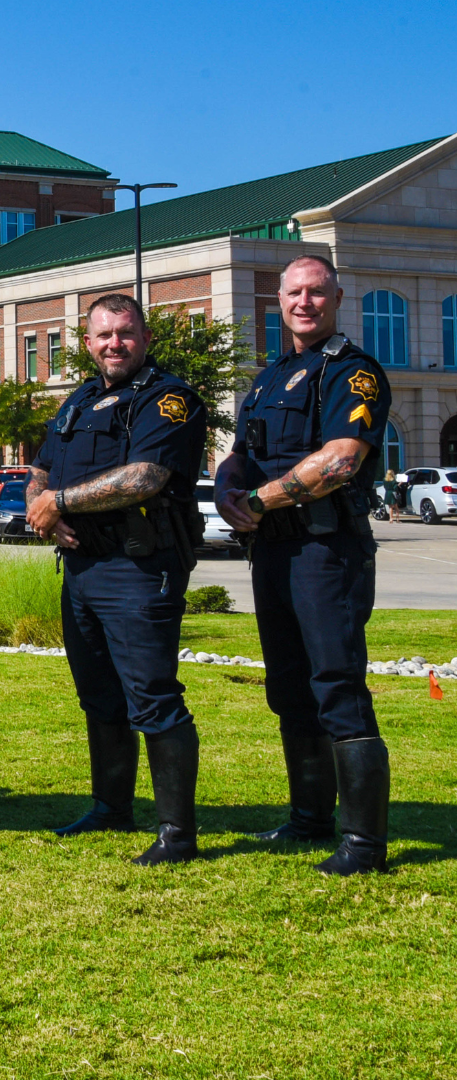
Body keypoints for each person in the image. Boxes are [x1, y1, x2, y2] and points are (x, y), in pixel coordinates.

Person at [214, 254, 392, 876]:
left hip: (324, 550)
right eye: (294, 292)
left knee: (336, 684)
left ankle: (364, 843)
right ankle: (309, 819)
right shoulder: (270, 377)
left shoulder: (352, 372)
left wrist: (259, 500)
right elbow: (243, 453)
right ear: (279, 299)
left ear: (338, 296)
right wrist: (225, 485)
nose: (305, 302)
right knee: (290, 689)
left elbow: (342, 458)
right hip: (274, 550)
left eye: (317, 292)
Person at [26, 294, 207, 866]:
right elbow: (38, 472)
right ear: (86, 343)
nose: (114, 343)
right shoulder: (77, 402)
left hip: (138, 567)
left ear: (145, 338)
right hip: (81, 567)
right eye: (102, 334)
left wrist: (57, 502)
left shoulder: (168, 399)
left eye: (125, 333)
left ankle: (176, 833)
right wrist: (46, 515)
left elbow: (145, 476)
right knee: (99, 697)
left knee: (152, 697)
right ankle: (111, 808)